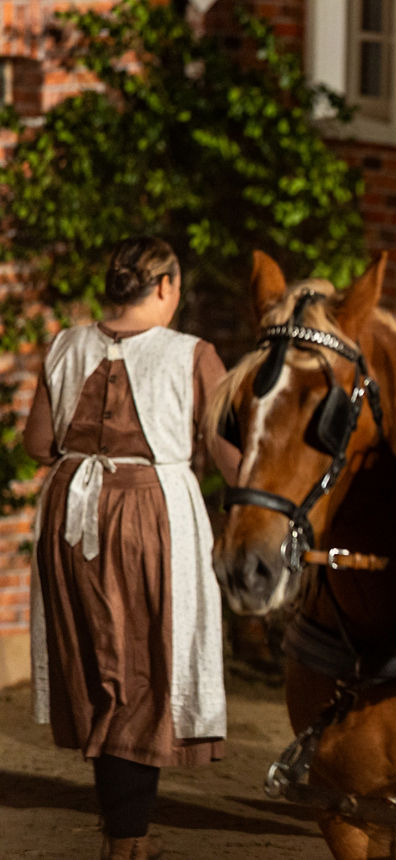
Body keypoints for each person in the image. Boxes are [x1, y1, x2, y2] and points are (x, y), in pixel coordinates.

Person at [23, 236, 240, 859]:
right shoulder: (193, 354)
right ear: (167, 286)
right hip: (147, 515)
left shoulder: (66, 344)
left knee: (99, 669)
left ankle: (125, 833)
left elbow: (40, 444)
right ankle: (126, 843)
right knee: (142, 672)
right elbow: (230, 459)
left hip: (69, 512)